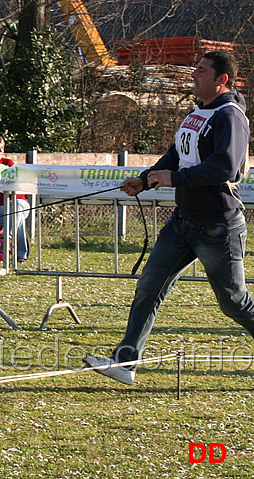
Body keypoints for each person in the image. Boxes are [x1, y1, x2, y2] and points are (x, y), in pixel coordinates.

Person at [83, 51, 254, 385]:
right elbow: (176, 155)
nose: (194, 75)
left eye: (202, 71)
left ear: (222, 80)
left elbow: (227, 167)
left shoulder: (229, 116)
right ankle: (125, 362)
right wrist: (147, 177)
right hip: (183, 221)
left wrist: (173, 179)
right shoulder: (198, 112)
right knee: (149, 286)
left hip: (218, 226)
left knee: (234, 303)